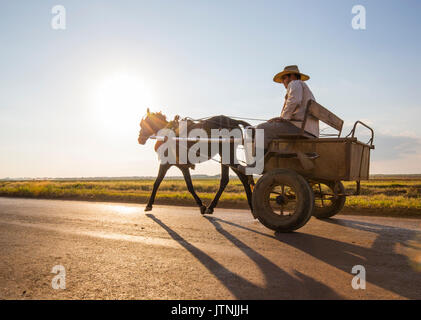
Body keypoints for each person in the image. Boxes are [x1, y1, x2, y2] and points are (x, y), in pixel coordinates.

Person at [256, 65, 319, 150]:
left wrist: (283, 118)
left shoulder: (295, 83)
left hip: (300, 128)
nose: (282, 82)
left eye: (284, 78)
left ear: (292, 76)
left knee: (261, 128)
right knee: (268, 128)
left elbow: (295, 101)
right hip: (311, 131)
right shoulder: (304, 88)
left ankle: (258, 161)